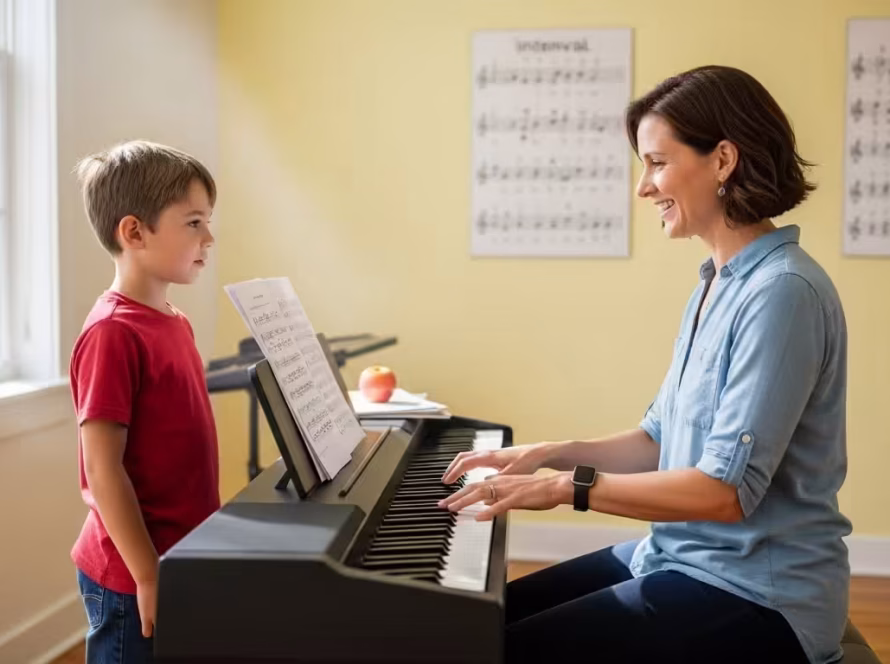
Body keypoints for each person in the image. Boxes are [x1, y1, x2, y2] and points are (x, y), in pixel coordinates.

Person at [440, 65, 851, 664]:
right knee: (477, 623)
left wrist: (565, 488)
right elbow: (658, 441)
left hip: (764, 595)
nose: (643, 187)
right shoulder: (716, 283)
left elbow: (723, 494)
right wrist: (550, 452)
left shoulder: (782, 293)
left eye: (657, 163)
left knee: (501, 650)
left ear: (722, 160)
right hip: (679, 557)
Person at [69, 140, 219, 663]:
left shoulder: (175, 320)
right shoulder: (112, 332)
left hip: (176, 557)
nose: (209, 238)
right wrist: (147, 572)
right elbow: (103, 471)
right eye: (194, 223)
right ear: (134, 232)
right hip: (130, 573)